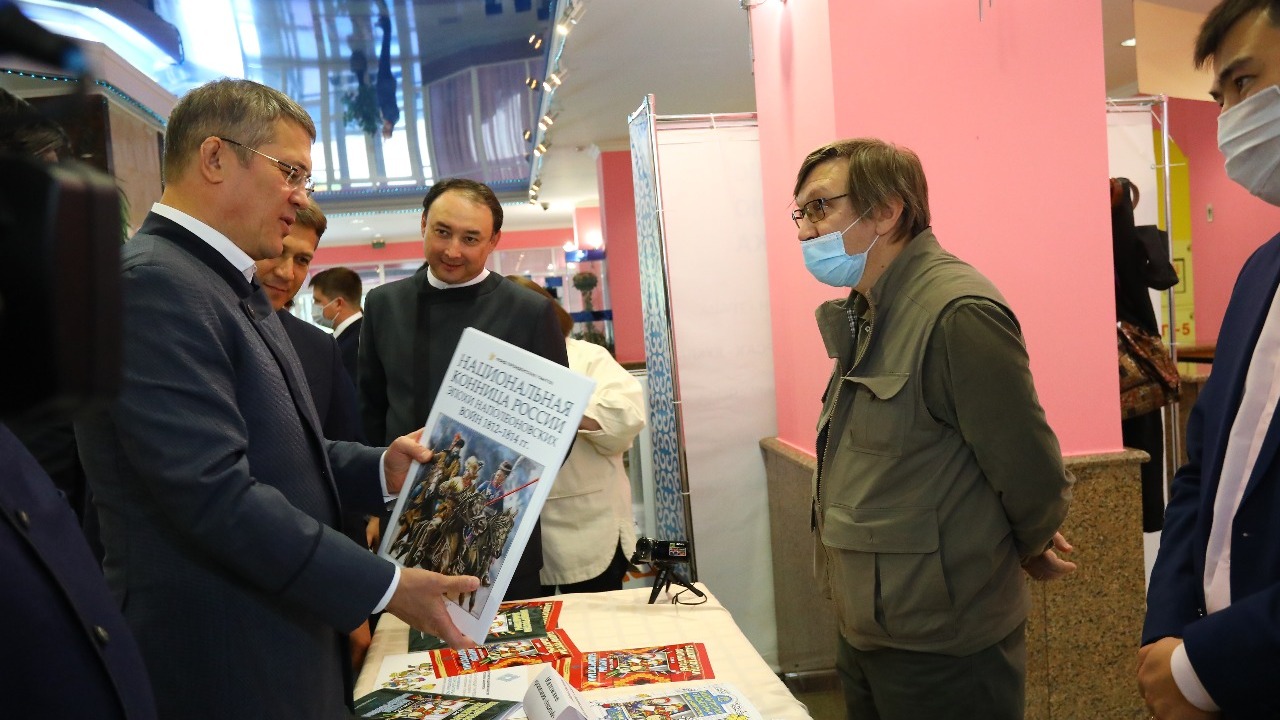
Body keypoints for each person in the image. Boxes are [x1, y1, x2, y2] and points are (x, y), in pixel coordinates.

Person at [74, 78, 478, 720]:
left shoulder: (216, 282)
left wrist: (379, 467)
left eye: (305, 179)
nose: (301, 196)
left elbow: (279, 449)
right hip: (222, 656)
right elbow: (213, 492)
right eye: (289, 172)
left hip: (273, 635)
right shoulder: (151, 284)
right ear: (214, 158)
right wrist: (388, 585)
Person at [794, 138, 1075, 720]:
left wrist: (1026, 543)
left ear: (886, 210)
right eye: (800, 213)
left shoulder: (955, 312)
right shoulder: (868, 311)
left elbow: (1030, 471)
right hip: (871, 628)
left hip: (945, 645)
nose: (804, 231)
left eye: (820, 207)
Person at [1139, 2, 1280, 718]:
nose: (1229, 120)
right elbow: (1202, 471)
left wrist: (1204, 665)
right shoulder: (1261, 272)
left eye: (1246, 83)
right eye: (1220, 98)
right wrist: (1169, 634)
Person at [359, 177, 569, 600]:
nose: (453, 251)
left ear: (493, 241)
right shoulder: (384, 305)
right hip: (407, 514)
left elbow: (557, 429)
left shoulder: (529, 312)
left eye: (470, 238)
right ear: (423, 224)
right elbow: (370, 412)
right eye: (442, 232)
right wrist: (373, 505)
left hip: (491, 523)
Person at [506, 276, 646, 595]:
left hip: (590, 526)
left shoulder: (586, 357)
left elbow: (627, 416)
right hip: (520, 536)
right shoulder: (494, 367)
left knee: (598, 620)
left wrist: (558, 405)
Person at [311, 265, 365, 386]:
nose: (314, 306)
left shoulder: (355, 345)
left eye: (317, 301)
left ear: (338, 303)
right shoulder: (360, 333)